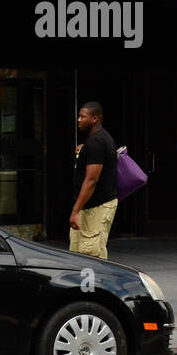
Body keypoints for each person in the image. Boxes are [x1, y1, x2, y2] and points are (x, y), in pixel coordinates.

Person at [69, 101, 118, 259]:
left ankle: (96, 284)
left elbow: (91, 180)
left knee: (92, 254)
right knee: (77, 253)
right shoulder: (95, 141)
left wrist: (75, 211)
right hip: (88, 207)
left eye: (83, 116)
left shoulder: (97, 141)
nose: (79, 119)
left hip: (97, 206)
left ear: (95, 118)